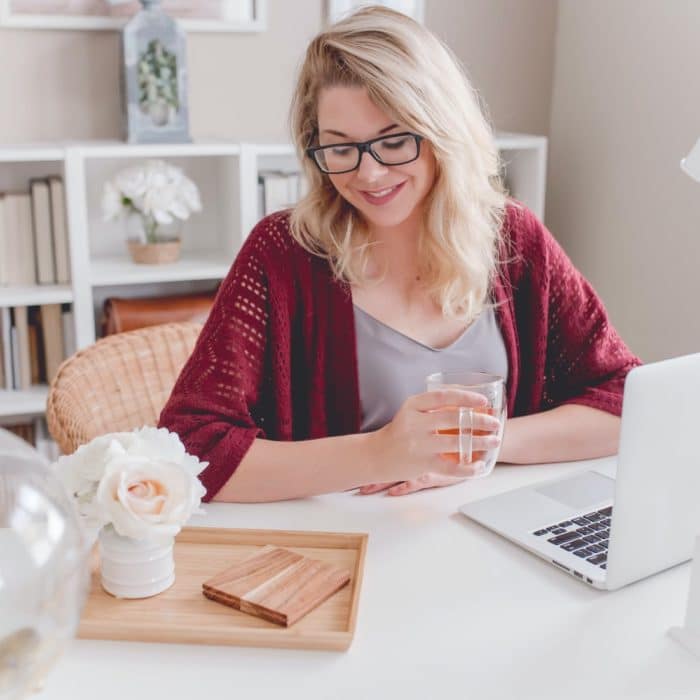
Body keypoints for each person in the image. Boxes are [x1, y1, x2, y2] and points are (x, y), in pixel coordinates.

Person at [158, 7, 641, 502]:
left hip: (488, 539)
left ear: (441, 132)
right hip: (343, 551)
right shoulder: (282, 254)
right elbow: (190, 449)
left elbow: (628, 400)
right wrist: (380, 452)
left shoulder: (513, 239)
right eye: (340, 147)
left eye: (394, 141)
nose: (368, 174)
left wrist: (477, 447)